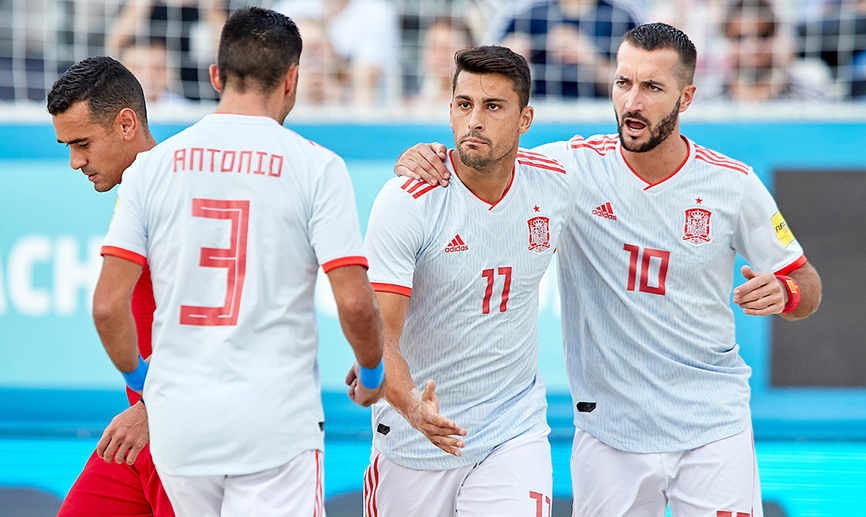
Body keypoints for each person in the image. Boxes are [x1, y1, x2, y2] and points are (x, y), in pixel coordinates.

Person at [394, 22, 822, 517]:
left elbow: (806, 283)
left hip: (713, 427)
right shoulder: (570, 169)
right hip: (609, 434)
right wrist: (425, 155)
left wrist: (786, 293)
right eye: (623, 83)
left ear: (686, 98)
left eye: (652, 87)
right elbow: (484, 164)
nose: (632, 102)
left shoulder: (732, 183)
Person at [92, 7, 387, 515]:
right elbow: (357, 304)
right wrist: (373, 374)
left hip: (181, 424)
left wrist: (143, 383)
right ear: (291, 79)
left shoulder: (151, 168)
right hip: (275, 421)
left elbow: (106, 306)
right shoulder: (317, 166)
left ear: (215, 75)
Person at [363, 45, 576, 516]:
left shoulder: (557, 182)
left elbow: (633, 174)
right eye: (464, 104)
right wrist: (414, 407)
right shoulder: (408, 201)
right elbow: (380, 338)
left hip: (513, 429)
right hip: (415, 441)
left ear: (525, 119)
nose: (474, 121)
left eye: (493, 106)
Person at [48, 56, 172, 517]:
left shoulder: (170, 190)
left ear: (126, 124)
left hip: (175, 425)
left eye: (82, 144)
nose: (75, 162)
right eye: (67, 146)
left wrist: (153, 401)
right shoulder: (143, 184)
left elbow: (218, 317)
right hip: (143, 426)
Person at [498, 0, 639, 99]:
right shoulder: (529, 16)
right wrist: (511, 59)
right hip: (540, 113)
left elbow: (633, 88)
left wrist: (588, 57)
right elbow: (497, 81)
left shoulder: (620, 18)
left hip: (599, 116)